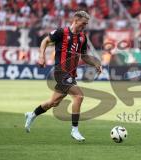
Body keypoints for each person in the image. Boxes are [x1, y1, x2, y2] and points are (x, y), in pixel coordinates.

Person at [24, 11, 102, 141]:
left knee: (53, 102)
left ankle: (32, 114)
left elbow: (84, 56)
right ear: (76, 20)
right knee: (79, 95)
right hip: (61, 71)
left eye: (86, 24)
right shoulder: (61, 32)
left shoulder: (83, 37)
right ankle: (74, 130)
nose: (84, 26)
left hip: (71, 73)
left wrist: (96, 63)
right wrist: (41, 56)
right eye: (83, 23)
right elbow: (45, 41)